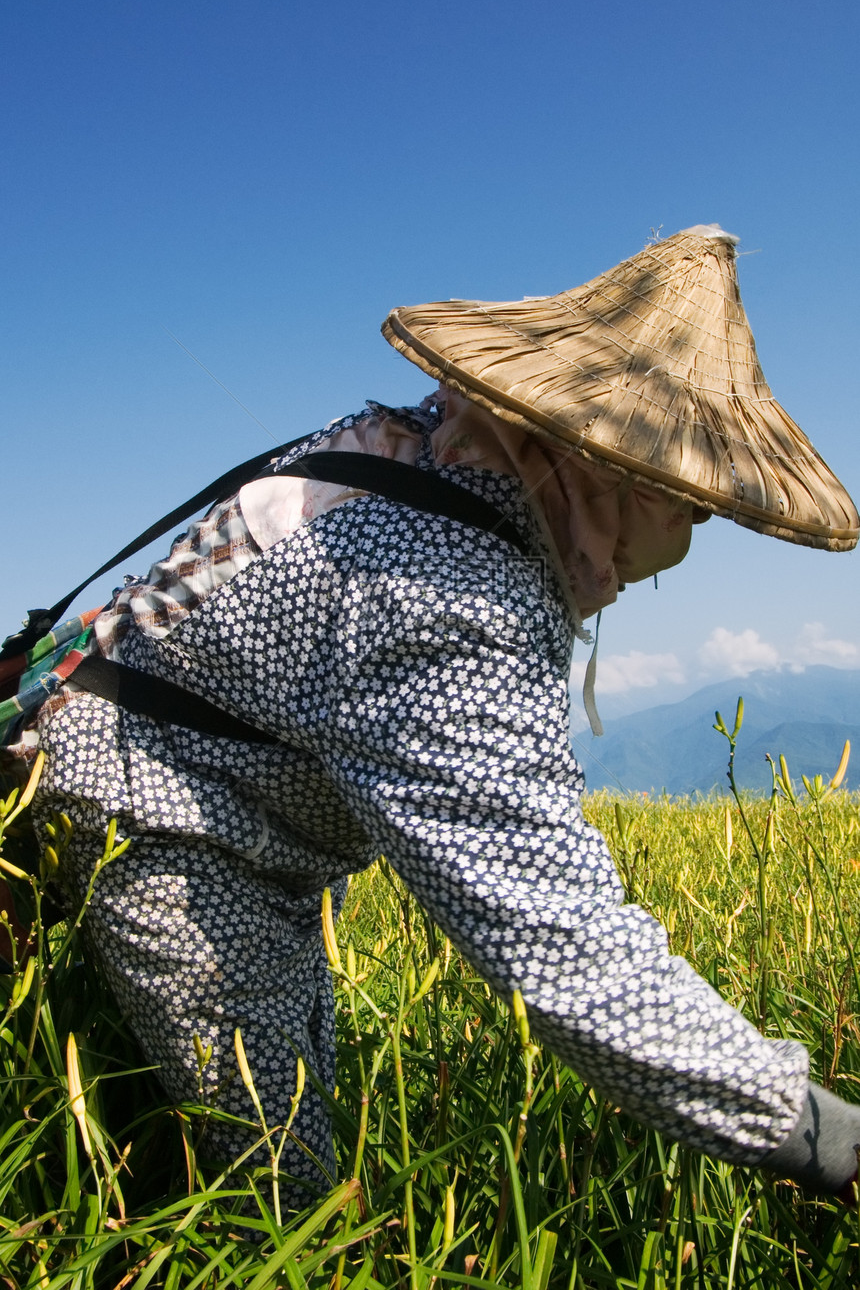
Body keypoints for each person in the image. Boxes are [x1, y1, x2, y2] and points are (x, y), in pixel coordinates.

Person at [27, 225, 860, 1200]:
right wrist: (822, 1139)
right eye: (690, 501)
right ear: (615, 470)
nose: (694, 528)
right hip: (170, 832)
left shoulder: (419, 451)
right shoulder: (455, 594)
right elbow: (549, 928)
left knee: (276, 1128)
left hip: (202, 808)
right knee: (281, 1194)